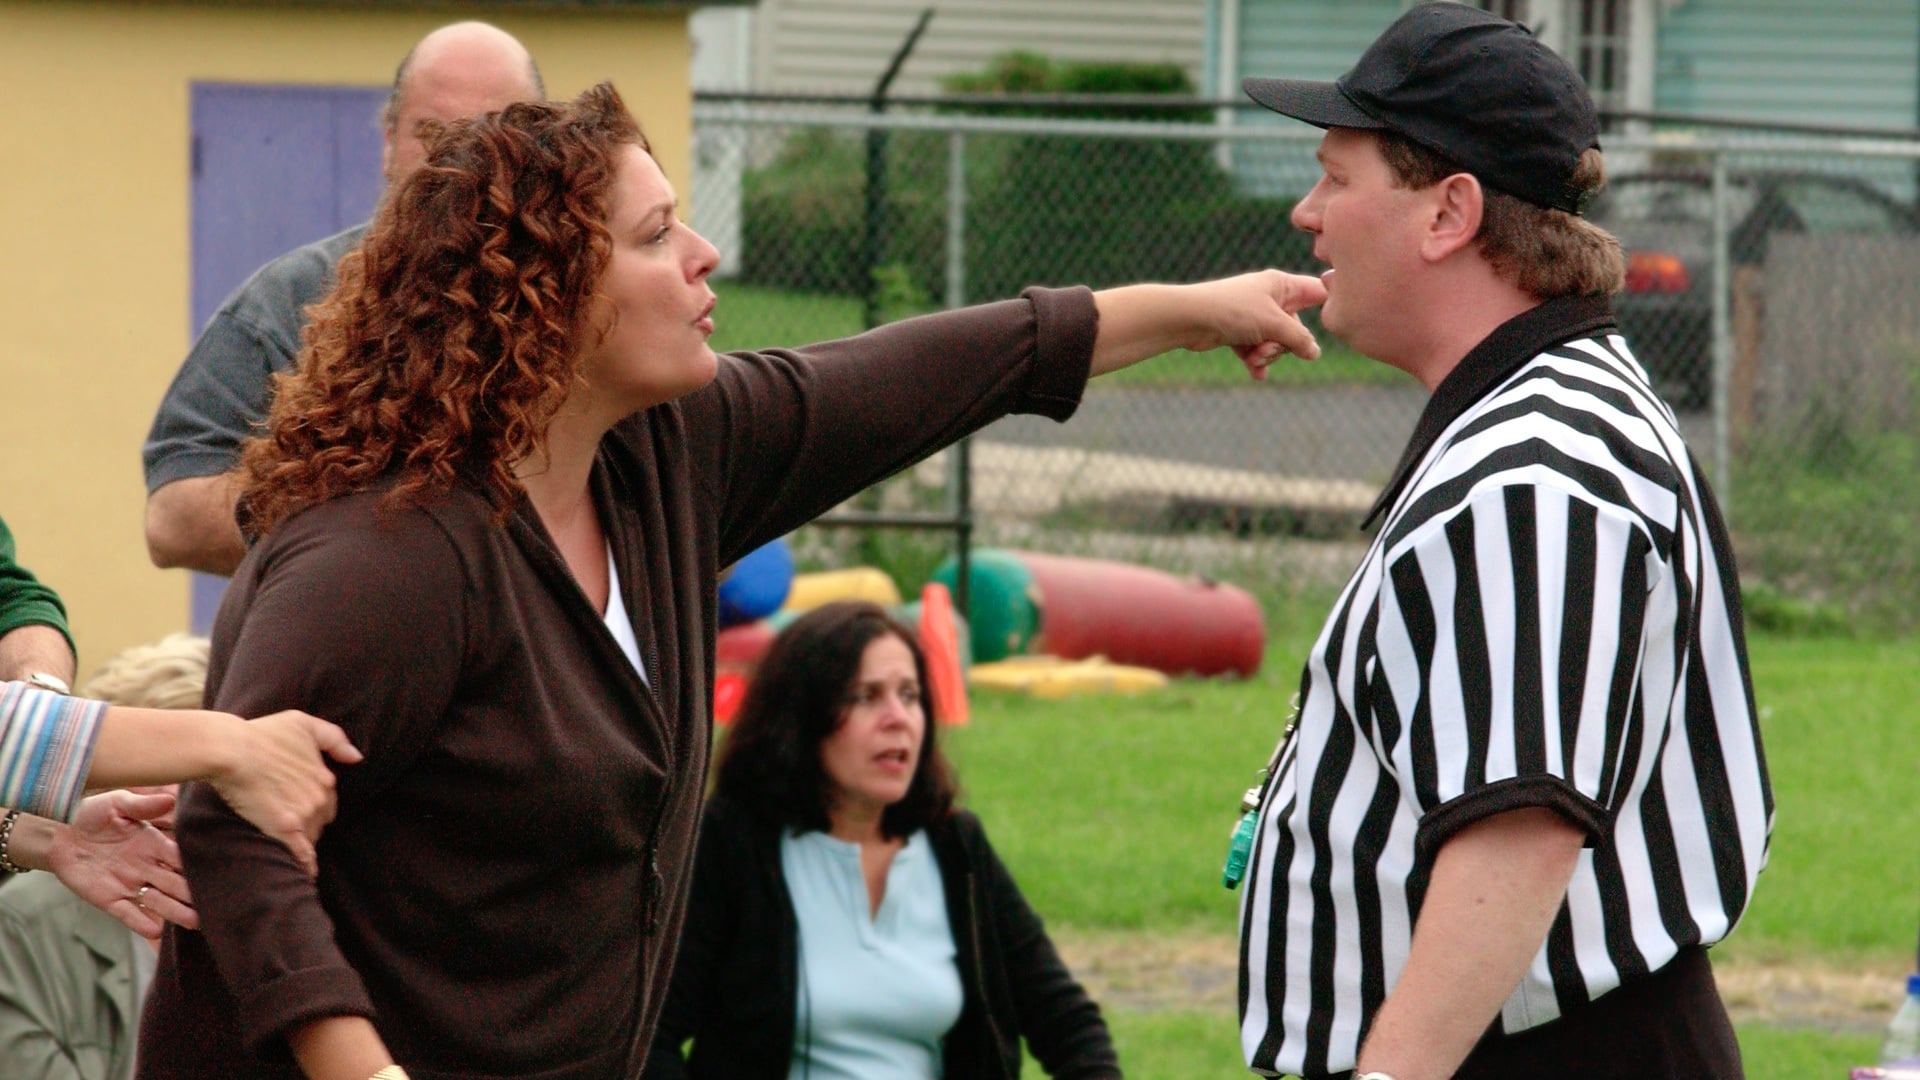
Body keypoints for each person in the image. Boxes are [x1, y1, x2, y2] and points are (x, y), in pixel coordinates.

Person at [136, 83, 1325, 1080]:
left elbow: (921, 372)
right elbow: (233, 828)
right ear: (545, 293)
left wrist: (1189, 312)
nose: (704, 255)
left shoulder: (663, 456)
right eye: (657, 235)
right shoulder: (384, 554)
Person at [1228, 6, 1772, 1079]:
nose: (1307, 214)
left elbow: (1519, 830)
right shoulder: (1544, 412)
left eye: (1336, 178)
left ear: (1449, 213)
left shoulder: (1533, 469)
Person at [646, 602, 1119, 1079]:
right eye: (866, 697)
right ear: (801, 717)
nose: (898, 718)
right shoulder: (732, 844)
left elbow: (1068, 1022)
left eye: (910, 695)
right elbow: (649, 1036)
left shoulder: (956, 846)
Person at [141, 20, 545, 575]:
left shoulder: (598, 298)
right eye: (431, 133)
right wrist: (370, 510)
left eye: (491, 136)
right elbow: (174, 518)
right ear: (387, 142)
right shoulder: (292, 300)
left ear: (544, 152)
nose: (460, 161)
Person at [0, 516, 354, 933]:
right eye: (161, 771)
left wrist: (37, 828)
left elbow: (13, 599)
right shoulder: (28, 923)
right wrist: (225, 747)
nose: (176, 796)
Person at [0, 634, 210, 1080]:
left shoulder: (260, 910)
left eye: (200, 771)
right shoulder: (21, 923)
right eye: (153, 765)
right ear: (89, 774)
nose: (173, 792)